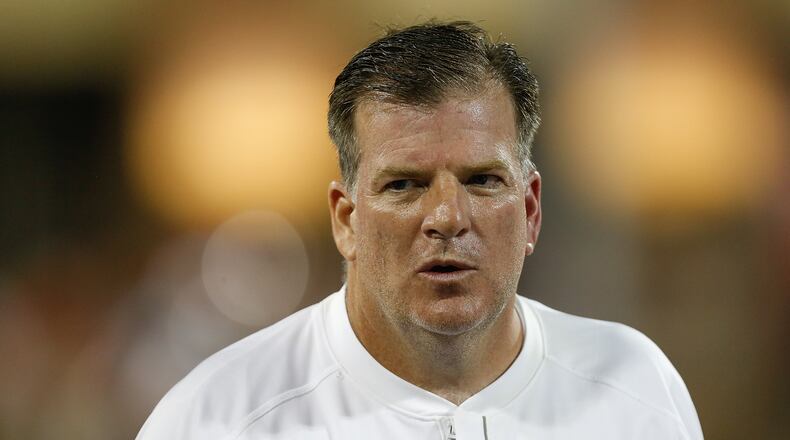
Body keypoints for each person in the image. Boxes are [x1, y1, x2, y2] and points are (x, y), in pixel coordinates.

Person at [137, 21, 703, 440]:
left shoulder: (635, 388)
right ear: (347, 220)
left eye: (482, 180)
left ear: (530, 210)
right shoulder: (217, 418)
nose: (448, 218)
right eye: (404, 185)